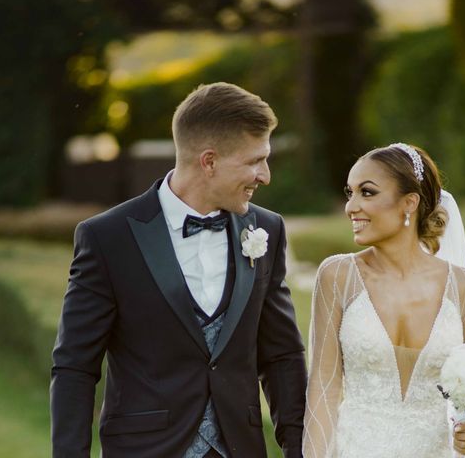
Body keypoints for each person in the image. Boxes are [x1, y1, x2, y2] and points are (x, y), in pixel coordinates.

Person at [51, 83, 307, 458]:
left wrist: (299, 448)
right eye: (254, 161)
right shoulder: (108, 238)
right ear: (209, 161)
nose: (264, 175)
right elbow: (75, 365)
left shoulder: (266, 231)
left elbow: (281, 354)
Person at [302, 143, 465, 457]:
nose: (351, 207)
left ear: (409, 203)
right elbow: (323, 388)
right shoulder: (337, 276)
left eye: (367, 192)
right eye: (350, 193)